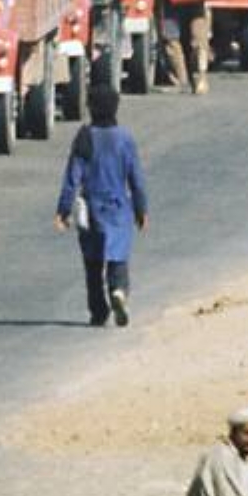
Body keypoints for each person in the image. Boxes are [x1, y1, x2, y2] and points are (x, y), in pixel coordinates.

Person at [54, 86, 148, 328]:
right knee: (118, 258)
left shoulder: (84, 136)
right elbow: (136, 178)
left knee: (93, 264)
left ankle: (98, 311)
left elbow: (72, 177)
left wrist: (63, 211)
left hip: (91, 208)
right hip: (118, 208)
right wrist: (141, 209)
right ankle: (118, 291)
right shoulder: (124, 138)